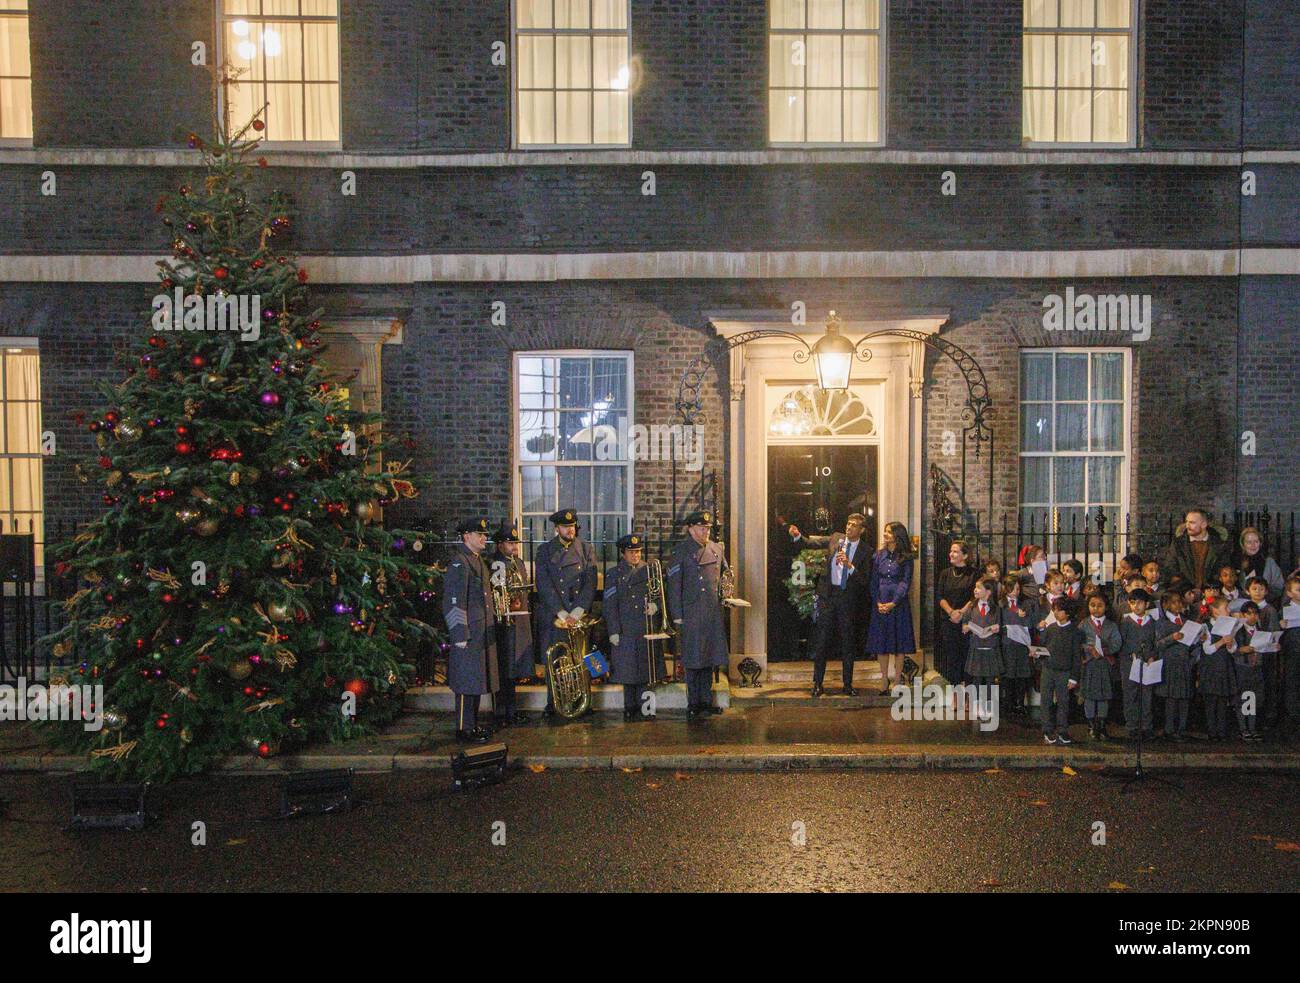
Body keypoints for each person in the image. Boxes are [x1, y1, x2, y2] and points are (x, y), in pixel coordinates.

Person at [534, 508, 598, 718]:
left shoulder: (586, 549)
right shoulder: (544, 551)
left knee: (585, 658)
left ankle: (585, 702)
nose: (570, 530)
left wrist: (578, 611)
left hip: (579, 614)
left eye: (572, 526)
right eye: (565, 527)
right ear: (556, 528)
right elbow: (543, 585)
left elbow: (591, 583)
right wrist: (561, 613)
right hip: (557, 616)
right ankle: (554, 704)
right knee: (556, 661)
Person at [442, 517, 500, 743]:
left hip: (479, 632)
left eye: (484, 534)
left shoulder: (476, 561)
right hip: (468, 633)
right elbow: (454, 602)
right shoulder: (460, 563)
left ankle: (472, 726)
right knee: (466, 682)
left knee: (475, 680)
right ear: (467, 537)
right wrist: (459, 634)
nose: (484, 538)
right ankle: (463, 729)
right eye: (480, 534)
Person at [666, 510, 729, 719]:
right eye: (702, 528)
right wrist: (677, 614)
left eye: (708, 528)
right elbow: (674, 586)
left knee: (709, 658)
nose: (705, 531)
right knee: (693, 659)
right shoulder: (681, 551)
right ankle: (693, 703)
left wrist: (728, 595)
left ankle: (706, 701)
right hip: (691, 612)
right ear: (691, 529)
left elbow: (725, 576)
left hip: (711, 612)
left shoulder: (716, 549)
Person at [807, 513, 872, 697]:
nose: (849, 527)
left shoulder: (866, 551)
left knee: (848, 643)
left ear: (861, 530)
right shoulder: (836, 538)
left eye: (854, 525)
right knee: (822, 642)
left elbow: (864, 580)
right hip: (828, 596)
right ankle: (818, 684)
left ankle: (848, 684)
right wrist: (797, 536)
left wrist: (850, 566)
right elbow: (813, 542)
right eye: (848, 523)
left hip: (847, 599)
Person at [603, 533, 665, 722]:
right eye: (631, 552)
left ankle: (648, 709)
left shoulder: (650, 570)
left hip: (646, 627)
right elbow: (610, 604)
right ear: (623, 553)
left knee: (648, 673)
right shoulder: (614, 574)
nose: (636, 555)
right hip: (626, 628)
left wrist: (656, 606)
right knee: (628, 672)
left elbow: (660, 595)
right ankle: (629, 707)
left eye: (638, 552)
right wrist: (613, 630)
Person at [488, 520, 533, 727]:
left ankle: (512, 712)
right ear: (499, 545)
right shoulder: (498, 564)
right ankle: (501, 713)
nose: (514, 546)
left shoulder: (518, 563)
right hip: (505, 624)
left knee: (513, 670)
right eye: (509, 543)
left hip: (519, 621)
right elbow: (498, 594)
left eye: (515, 542)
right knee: (504, 669)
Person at [867, 522, 916, 696]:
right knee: (882, 643)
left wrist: (894, 602)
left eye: (888, 532)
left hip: (898, 604)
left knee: (898, 643)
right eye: (885, 531)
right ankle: (883, 678)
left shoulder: (906, 557)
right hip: (880, 603)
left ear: (897, 535)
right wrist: (877, 601)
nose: (885, 534)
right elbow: (873, 580)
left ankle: (897, 680)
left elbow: (905, 581)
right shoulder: (879, 555)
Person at [1154, 590, 1199, 742]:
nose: (1178, 605)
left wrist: (1198, 640)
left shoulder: (1186, 621)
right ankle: (1169, 729)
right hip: (1170, 663)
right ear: (1165, 605)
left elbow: (1192, 644)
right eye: (1174, 602)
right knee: (1171, 698)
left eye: (1180, 601)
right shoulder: (1162, 623)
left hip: (1185, 663)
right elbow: (1157, 644)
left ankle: (1182, 728)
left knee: (1184, 697)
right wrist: (1172, 638)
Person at [1118, 588, 1161, 740]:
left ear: (1147, 604)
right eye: (1133, 603)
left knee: (1147, 694)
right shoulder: (1125, 622)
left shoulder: (1152, 622)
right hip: (1129, 663)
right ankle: (1132, 726)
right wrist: (1131, 654)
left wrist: (1151, 656)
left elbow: (1156, 643)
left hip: (1147, 663)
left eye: (1140, 603)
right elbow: (1120, 643)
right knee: (1130, 694)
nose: (1136, 606)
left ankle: (1146, 726)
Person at [1037, 598, 1081, 745]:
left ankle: (1062, 730)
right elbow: (1044, 646)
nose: (1055, 612)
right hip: (1048, 670)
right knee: (1046, 701)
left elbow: (1076, 656)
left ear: (1067, 613)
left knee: (1063, 702)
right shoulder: (1051, 628)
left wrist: (1074, 677)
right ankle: (1047, 730)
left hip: (1064, 672)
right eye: (1054, 609)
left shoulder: (1074, 632)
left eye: (1058, 610)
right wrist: (1037, 653)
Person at [1079, 592, 1121, 741]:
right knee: (1089, 695)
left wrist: (1104, 650)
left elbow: (1117, 643)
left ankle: (1102, 725)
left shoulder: (1111, 625)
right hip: (1089, 664)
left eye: (1100, 605)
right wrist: (1089, 649)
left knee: (1104, 696)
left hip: (1104, 664)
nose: (1096, 609)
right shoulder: (1084, 624)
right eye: (1092, 605)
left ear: (1106, 607)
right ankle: (1091, 725)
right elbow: (1078, 642)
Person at [937, 542, 978, 687]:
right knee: (952, 656)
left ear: (965, 555)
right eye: (951, 551)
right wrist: (951, 612)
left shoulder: (974, 574)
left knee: (966, 655)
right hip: (948, 620)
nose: (951, 554)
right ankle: (955, 691)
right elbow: (940, 596)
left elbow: (975, 597)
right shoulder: (945, 573)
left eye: (955, 551)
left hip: (966, 620)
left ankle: (967, 691)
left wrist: (961, 612)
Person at [1163, 509, 1231, 591]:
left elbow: (1222, 570)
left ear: (1204, 524)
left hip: (1212, 592)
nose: (1187, 526)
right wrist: (1187, 590)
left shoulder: (1219, 545)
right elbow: (1170, 568)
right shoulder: (1178, 544)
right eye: (1186, 522)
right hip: (1184, 593)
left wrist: (1208, 588)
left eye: (1192, 522)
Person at [962, 578, 1003, 711]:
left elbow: (1000, 625)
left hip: (991, 647)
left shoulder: (996, 609)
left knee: (991, 680)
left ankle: (990, 707)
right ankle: (977, 706)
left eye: (979, 588)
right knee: (977, 679)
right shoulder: (971, 608)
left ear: (989, 592)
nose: (975, 590)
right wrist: (966, 627)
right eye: (975, 587)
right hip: (977, 647)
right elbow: (964, 624)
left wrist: (997, 628)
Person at [1199, 596, 1237, 741]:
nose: (1228, 610)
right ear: (1215, 611)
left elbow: (1233, 649)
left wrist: (1230, 644)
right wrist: (1221, 642)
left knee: (1222, 701)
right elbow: (1207, 649)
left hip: (1224, 667)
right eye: (1225, 608)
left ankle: (1222, 731)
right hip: (1210, 669)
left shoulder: (1230, 626)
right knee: (1211, 701)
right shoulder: (1206, 626)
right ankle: (1212, 731)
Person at [999, 574, 1033, 720]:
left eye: (1019, 589)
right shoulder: (1001, 605)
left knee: (1022, 674)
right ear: (1007, 589)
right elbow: (998, 623)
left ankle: (1020, 703)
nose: (1017, 592)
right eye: (1014, 589)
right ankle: (1009, 702)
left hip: (1021, 644)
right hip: (1007, 643)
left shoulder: (1024, 604)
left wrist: (1024, 617)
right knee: (1009, 674)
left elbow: (1030, 624)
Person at [1233, 602, 1266, 742]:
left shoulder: (1260, 630)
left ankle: (1252, 728)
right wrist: (1241, 649)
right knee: (1242, 698)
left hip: (1256, 667)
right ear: (1243, 615)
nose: (1253, 617)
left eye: (1255, 613)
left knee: (1253, 698)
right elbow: (1232, 649)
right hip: (1242, 667)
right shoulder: (1238, 631)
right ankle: (1243, 728)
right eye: (1249, 613)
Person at [1238, 527, 1285, 600]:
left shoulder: (1269, 562)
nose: (1253, 545)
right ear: (1243, 545)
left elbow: (1279, 587)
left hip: (1267, 603)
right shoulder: (1237, 563)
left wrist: (1262, 599)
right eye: (1249, 542)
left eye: (1256, 541)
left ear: (1260, 543)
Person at [1279, 575, 1300, 738]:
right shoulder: (1285, 610)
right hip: (1293, 652)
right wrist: (1281, 626)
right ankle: (1293, 717)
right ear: (1290, 593)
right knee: (1292, 683)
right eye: (1298, 590)